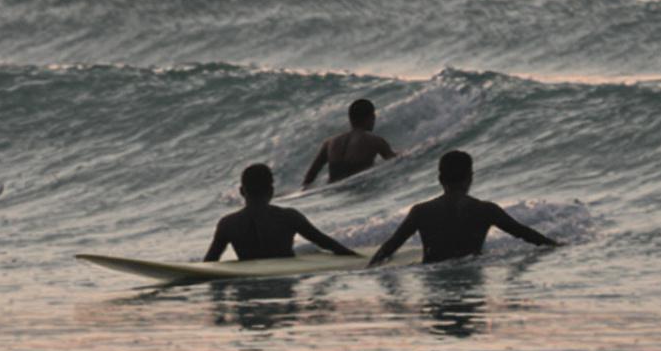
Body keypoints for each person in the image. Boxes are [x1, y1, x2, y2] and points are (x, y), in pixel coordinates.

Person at [367, 150, 559, 266]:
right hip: (469, 272)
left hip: (432, 274)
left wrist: (370, 269)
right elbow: (527, 235)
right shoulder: (486, 210)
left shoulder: (421, 211)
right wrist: (559, 247)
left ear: (440, 179)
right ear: (470, 177)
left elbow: (390, 247)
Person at [206, 163, 359, 262]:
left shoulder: (227, 223)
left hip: (249, 275)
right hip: (285, 277)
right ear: (271, 190)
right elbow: (324, 242)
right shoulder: (288, 217)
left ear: (241, 191)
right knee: (313, 250)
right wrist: (356, 257)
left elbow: (210, 262)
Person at [301, 98, 397, 188]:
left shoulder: (329, 143)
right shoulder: (375, 141)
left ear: (350, 118)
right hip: (357, 189)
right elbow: (394, 163)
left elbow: (310, 177)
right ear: (371, 117)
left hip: (332, 192)